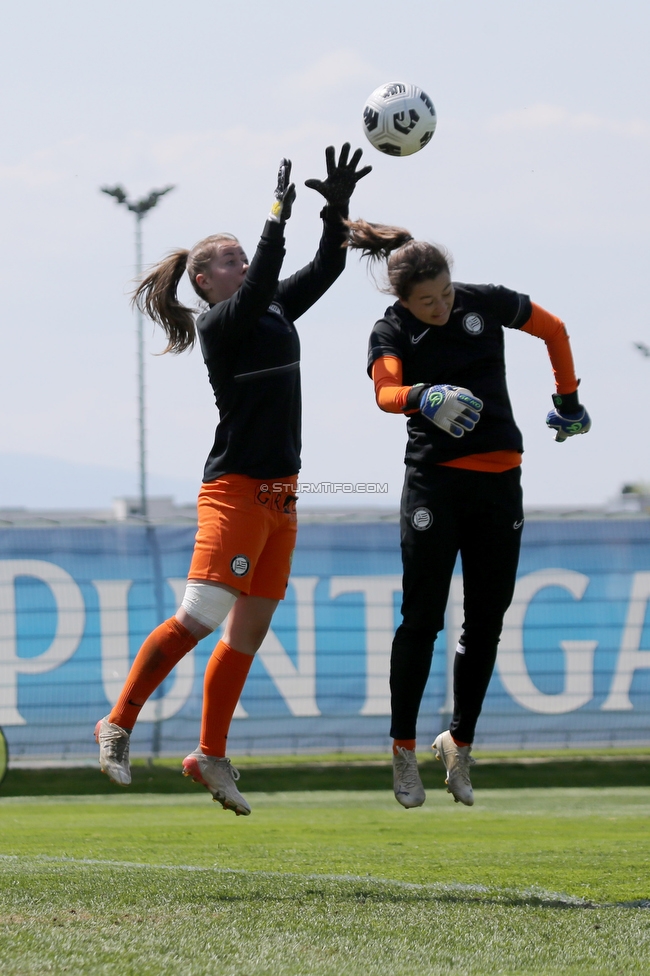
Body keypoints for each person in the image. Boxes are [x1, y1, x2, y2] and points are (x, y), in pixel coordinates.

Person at [95, 145, 371, 815]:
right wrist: (279, 214)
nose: (242, 262)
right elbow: (270, 271)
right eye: (229, 258)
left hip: (282, 495)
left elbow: (327, 265)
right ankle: (118, 723)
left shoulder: (270, 307)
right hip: (237, 489)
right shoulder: (223, 322)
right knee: (200, 617)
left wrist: (335, 209)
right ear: (205, 284)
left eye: (244, 253)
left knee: (246, 634)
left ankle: (208, 754)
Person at [348, 218, 591, 808]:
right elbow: (385, 393)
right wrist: (420, 396)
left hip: (501, 483)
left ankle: (458, 742)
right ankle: (403, 749)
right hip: (435, 487)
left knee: (486, 621)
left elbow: (553, 328)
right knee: (422, 620)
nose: (441, 306)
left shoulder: (483, 303)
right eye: (427, 300)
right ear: (402, 298)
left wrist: (568, 399)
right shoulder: (392, 327)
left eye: (447, 294)